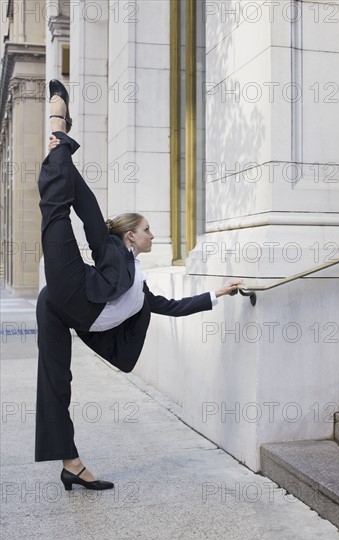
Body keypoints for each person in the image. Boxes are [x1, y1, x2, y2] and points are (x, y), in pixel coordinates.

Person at [36, 79, 241, 491]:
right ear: (131, 237)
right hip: (72, 287)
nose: (153, 234)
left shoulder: (140, 288)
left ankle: (70, 464)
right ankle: (59, 119)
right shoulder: (112, 248)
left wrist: (216, 295)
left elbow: (170, 306)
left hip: (63, 310)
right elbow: (90, 210)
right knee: (58, 211)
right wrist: (64, 156)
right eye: (147, 229)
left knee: (57, 382)